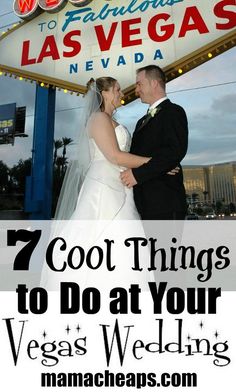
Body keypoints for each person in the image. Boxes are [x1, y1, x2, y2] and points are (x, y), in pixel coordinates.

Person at [120, 65, 188, 220]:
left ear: (154, 83)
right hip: (143, 204)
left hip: (165, 203)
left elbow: (174, 152)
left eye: (139, 84)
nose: (136, 90)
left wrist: (137, 175)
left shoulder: (173, 111)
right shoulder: (141, 121)